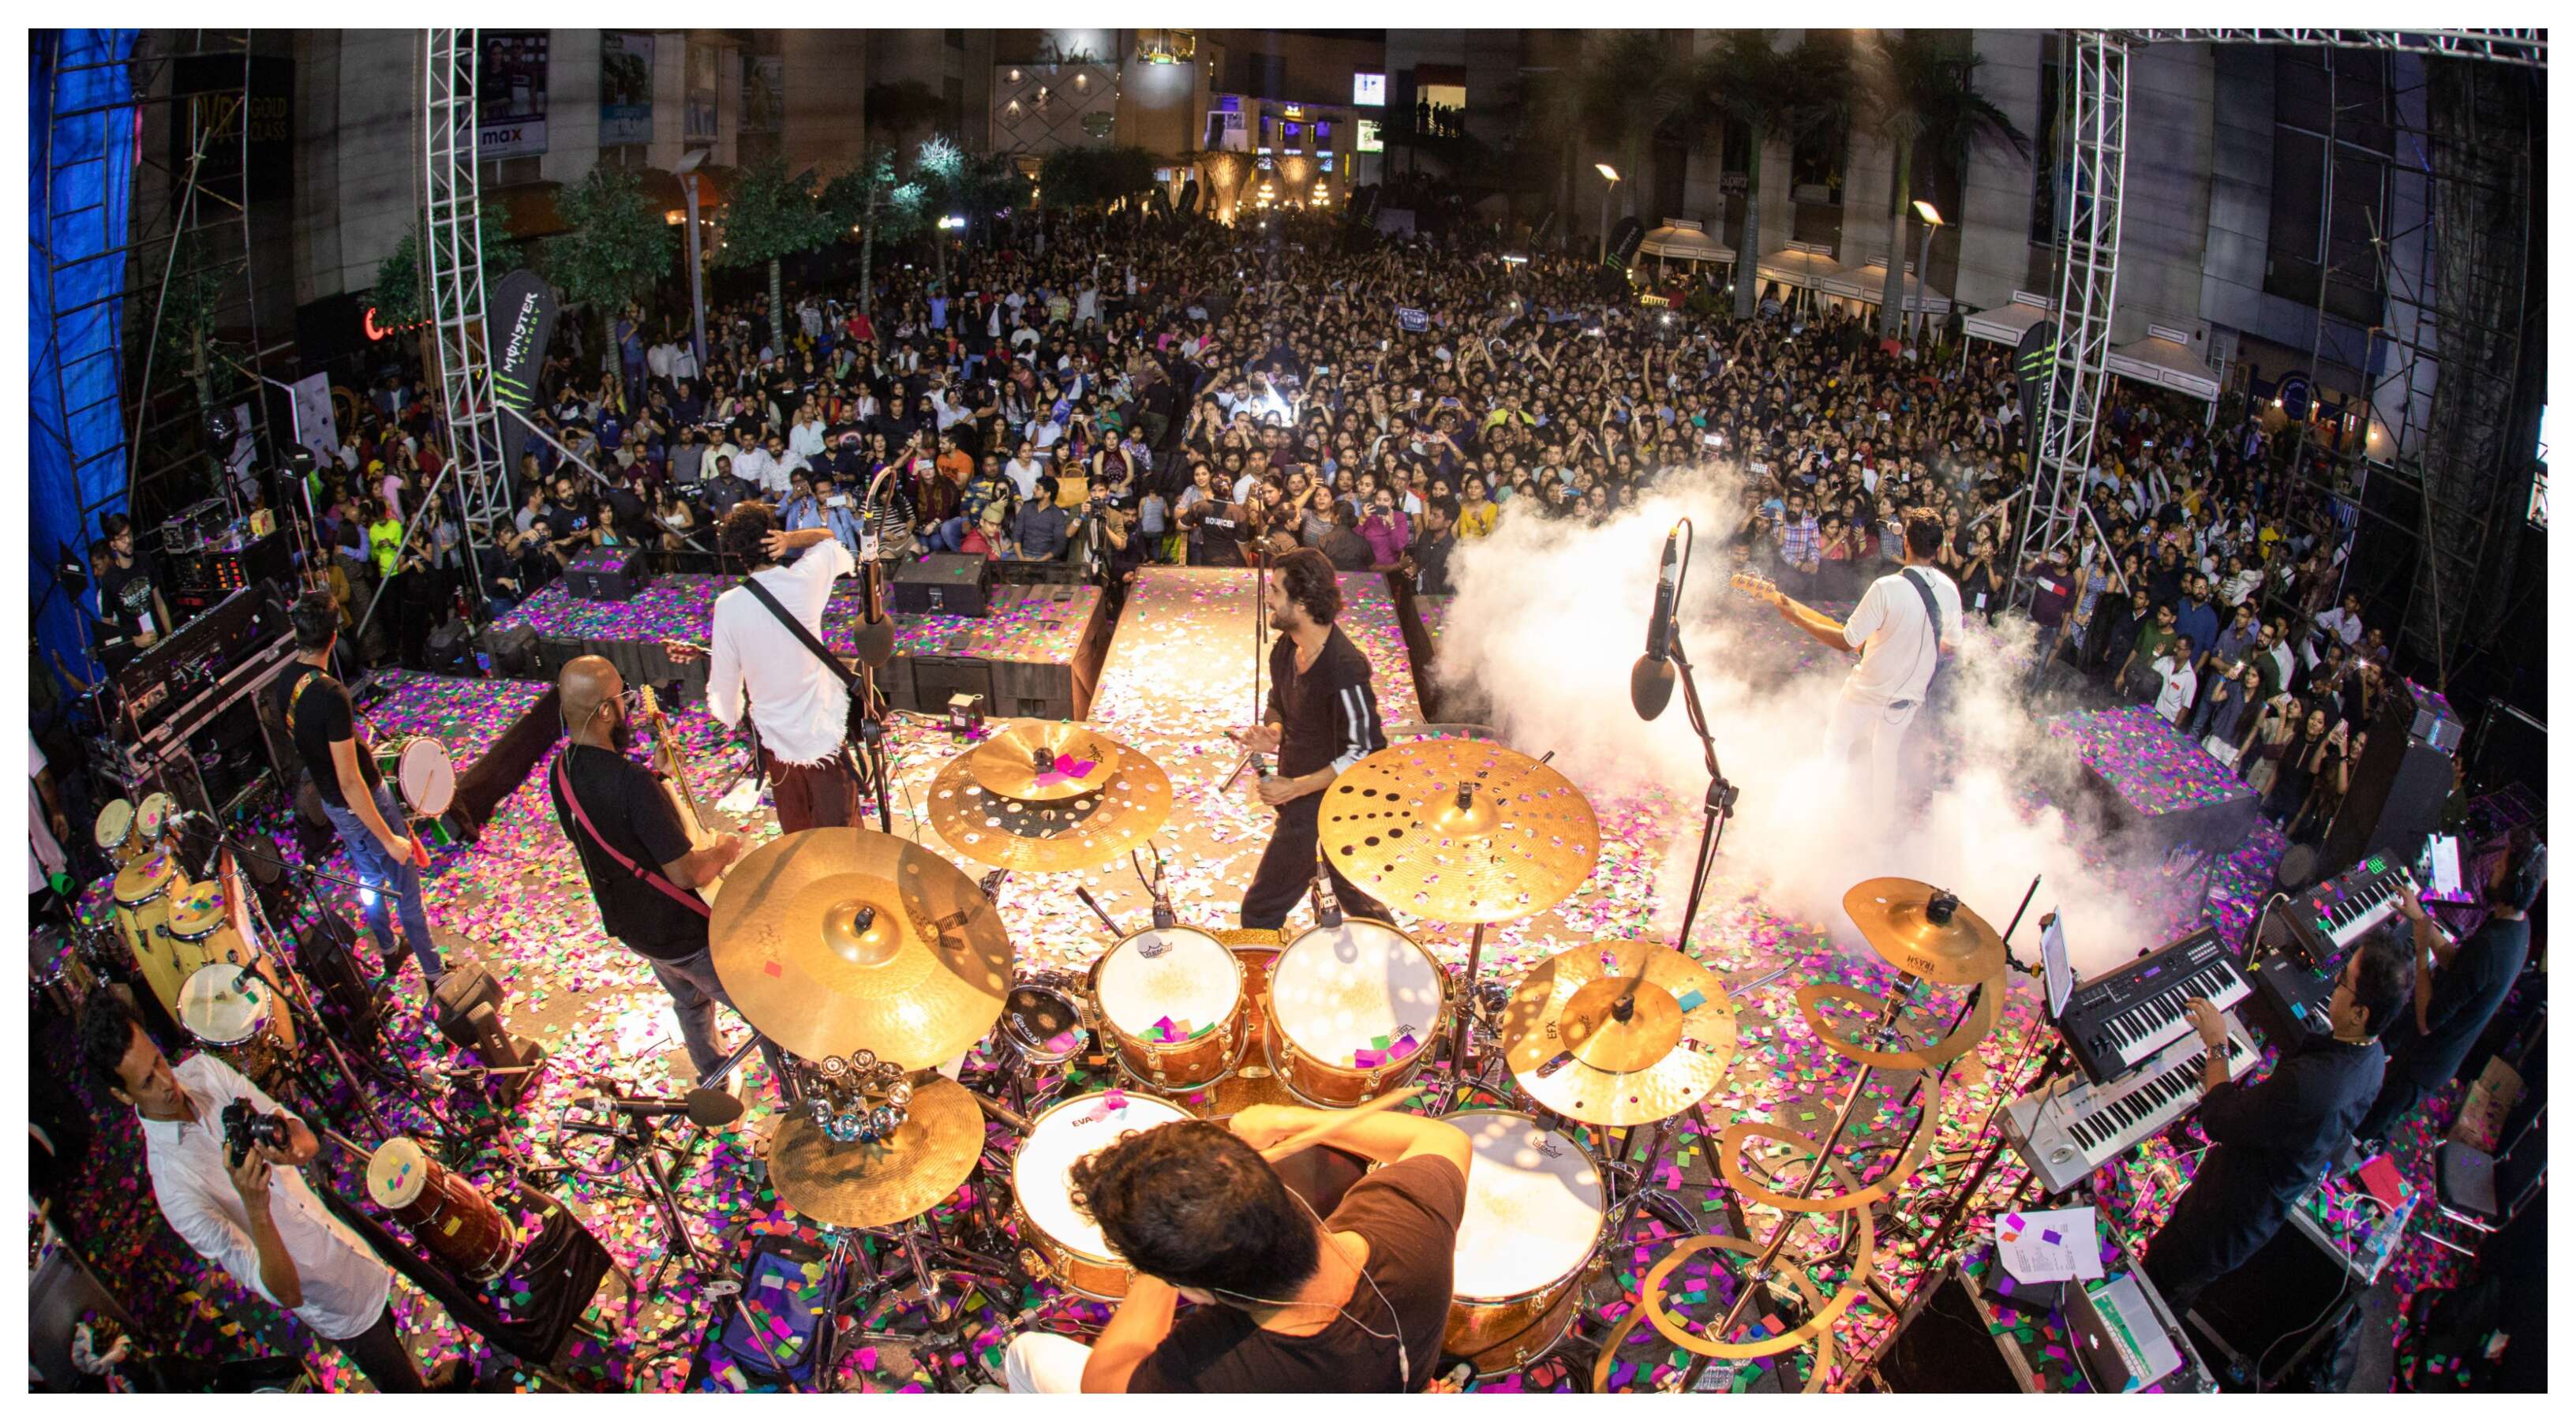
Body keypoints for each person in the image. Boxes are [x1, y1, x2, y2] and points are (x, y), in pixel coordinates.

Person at [79, 994, 448, 1392]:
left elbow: (305, 1140)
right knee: (399, 1383)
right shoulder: (175, 1188)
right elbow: (284, 1292)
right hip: (336, 1301)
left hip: (351, 1244)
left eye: (158, 1061)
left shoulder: (202, 1071)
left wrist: (290, 1148)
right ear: (122, 1095)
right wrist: (256, 1207)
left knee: (396, 1333)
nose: (168, 1082)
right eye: (147, 1082)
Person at [999, 1103, 1472, 1393]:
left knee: (1027, 1354)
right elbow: (1441, 1137)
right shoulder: (1413, 1230)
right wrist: (1288, 1119)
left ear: (1196, 1293)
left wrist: (1159, 1256)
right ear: (1276, 1183)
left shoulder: (1207, 1374)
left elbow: (1102, 1384)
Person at [2143, 928, 2410, 1315]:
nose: (2333, 984)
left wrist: (2217, 1043)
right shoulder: (2372, 1058)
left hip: (2223, 1219)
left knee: (2161, 1286)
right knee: (2182, 1287)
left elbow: (2218, 1120)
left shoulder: (2310, 1086)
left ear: (2360, 1013)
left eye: (2342, 981)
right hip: (2259, 1211)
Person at [548, 657, 787, 1090]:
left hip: (636, 928)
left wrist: (658, 776)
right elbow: (686, 873)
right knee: (765, 1009)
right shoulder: (632, 782)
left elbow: (607, 830)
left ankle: (713, 1074)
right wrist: (726, 849)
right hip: (685, 932)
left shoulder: (561, 771)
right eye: (623, 698)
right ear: (605, 712)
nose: (629, 707)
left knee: (689, 1003)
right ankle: (796, 1090)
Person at [267, 591, 444, 990]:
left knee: (369, 880)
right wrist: (391, 837)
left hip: (333, 805)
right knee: (405, 884)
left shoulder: (285, 682)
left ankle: (387, 947)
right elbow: (351, 781)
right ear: (335, 637)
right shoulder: (331, 695)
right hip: (361, 802)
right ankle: (434, 973)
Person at [1225, 549, 1395, 930]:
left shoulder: (1344, 668)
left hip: (1332, 805)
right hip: (1300, 797)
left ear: (1301, 603)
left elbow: (1366, 751)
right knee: (1352, 894)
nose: (1268, 598)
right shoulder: (1286, 649)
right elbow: (1278, 702)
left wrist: (1295, 788)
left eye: (1275, 590)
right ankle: (1393, 949)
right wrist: (1275, 734)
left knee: (1261, 910)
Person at [1756, 515, 1962, 808]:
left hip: (1867, 690)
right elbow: (1951, 646)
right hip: (1907, 698)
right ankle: (1881, 822)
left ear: (1905, 542)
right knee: (1886, 755)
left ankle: (1824, 809)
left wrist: (1796, 617)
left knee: (1836, 744)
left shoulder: (1887, 587)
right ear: (1940, 547)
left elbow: (1847, 641)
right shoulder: (1950, 590)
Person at [2353, 841, 2544, 1144]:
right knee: (2375, 1111)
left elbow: (2427, 1020)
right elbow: (2458, 964)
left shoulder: (2492, 948)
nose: (2493, 868)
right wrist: (2421, 921)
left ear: (2513, 882)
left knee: (2362, 1129)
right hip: (2432, 1056)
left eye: (2500, 867)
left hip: (2424, 1063)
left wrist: (2420, 954)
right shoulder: (2517, 925)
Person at [706, 506, 863, 833]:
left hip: (777, 743)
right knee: (843, 836)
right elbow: (831, 540)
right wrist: (791, 539)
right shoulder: (804, 581)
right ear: (773, 537)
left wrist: (730, 712)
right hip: (823, 734)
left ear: (739, 555)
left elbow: (724, 688)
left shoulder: (728, 606)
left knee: (798, 834)